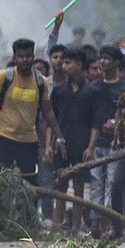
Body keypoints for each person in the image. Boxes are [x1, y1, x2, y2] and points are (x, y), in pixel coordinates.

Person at [0, 38, 64, 184]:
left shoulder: (40, 81)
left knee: (28, 184)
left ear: (33, 57)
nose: (25, 59)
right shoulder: (4, 77)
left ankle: (26, 207)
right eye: (21, 56)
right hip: (4, 136)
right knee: (1, 181)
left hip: (29, 140)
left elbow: (48, 111)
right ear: (15, 57)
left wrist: (60, 137)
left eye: (28, 56)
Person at [79, 45, 125, 236]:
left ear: (116, 62)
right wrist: (89, 144)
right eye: (101, 58)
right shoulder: (93, 88)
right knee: (97, 183)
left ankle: (111, 225)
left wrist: (117, 126)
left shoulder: (122, 88)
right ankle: (96, 225)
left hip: (117, 144)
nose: (103, 62)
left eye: (107, 58)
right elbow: (90, 119)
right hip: (97, 143)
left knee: (113, 184)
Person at [50, 49, 92, 235]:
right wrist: (49, 144)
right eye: (63, 62)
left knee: (79, 187)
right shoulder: (59, 90)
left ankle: (76, 227)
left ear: (79, 65)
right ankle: (57, 226)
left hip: (82, 146)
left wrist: (90, 146)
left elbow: (94, 123)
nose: (63, 66)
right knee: (60, 183)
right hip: (62, 144)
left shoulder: (91, 91)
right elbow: (51, 118)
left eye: (68, 63)